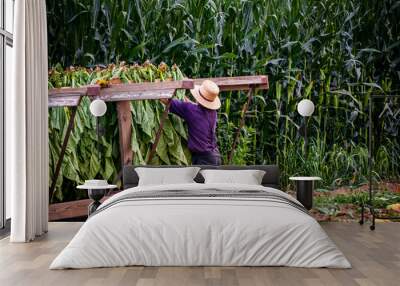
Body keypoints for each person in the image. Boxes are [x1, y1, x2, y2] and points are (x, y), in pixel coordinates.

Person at [161, 80, 222, 165]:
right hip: (215, 157)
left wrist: (155, 91)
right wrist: (184, 98)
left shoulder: (191, 110)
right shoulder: (213, 113)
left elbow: (168, 101)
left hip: (203, 160)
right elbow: (195, 107)